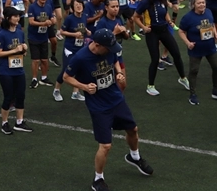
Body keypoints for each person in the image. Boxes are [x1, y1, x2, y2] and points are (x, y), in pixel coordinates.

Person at [63, 28, 152, 191]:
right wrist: (83, 86)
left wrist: (119, 73)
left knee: (133, 129)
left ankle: (134, 157)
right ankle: (98, 179)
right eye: (108, 48)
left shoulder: (109, 50)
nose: (111, 50)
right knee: (105, 145)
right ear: (97, 45)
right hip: (99, 107)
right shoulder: (80, 58)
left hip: (116, 99)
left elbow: (115, 59)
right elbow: (66, 77)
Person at [133, 0, 190, 96]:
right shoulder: (146, 2)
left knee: (176, 54)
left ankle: (183, 78)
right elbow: (135, 17)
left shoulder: (162, 0)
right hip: (152, 32)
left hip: (164, 30)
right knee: (155, 59)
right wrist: (143, 27)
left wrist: (169, 21)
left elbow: (165, 13)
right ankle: (150, 86)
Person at [178, 0, 217, 105]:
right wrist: (188, 43)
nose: (202, 5)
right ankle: (192, 94)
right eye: (199, 3)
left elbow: (212, 24)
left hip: (210, 47)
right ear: (193, 4)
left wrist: (216, 35)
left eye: (203, 2)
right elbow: (181, 31)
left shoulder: (208, 12)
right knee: (194, 71)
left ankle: (216, 90)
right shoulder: (188, 17)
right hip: (196, 49)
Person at [0, 6, 31, 134]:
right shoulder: (2, 34)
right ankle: (4, 123)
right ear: (9, 18)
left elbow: (22, 52)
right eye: (15, 16)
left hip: (19, 70)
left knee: (21, 96)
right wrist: (14, 50)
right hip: (6, 71)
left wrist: (24, 49)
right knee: (8, 97)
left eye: (18, 16)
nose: (18, 18)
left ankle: (19, 122)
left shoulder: (20, 32)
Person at [54, 0, 90, 102]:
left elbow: (83, 27)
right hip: (70, 49)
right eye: (76, 5)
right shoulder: (69, 18)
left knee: (79, 70)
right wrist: (74, 34)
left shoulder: (84, 16)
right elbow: (62, 31)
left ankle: (76, 92)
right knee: (67, 70)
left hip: (80, 48)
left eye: (80, 5)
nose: (79, 7)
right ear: (72, 8)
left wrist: (87, 31)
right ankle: (56, 90)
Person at [27, 0, 56, 88]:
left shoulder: (48, 7)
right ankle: (34, 79)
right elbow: (31, 22)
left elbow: (52, 17)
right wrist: (44, 23)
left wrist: (52, 21)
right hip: (33, 37)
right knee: (35, 60)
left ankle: (44, 77)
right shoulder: (32, 7)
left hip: (44, 37)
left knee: (44, 59)